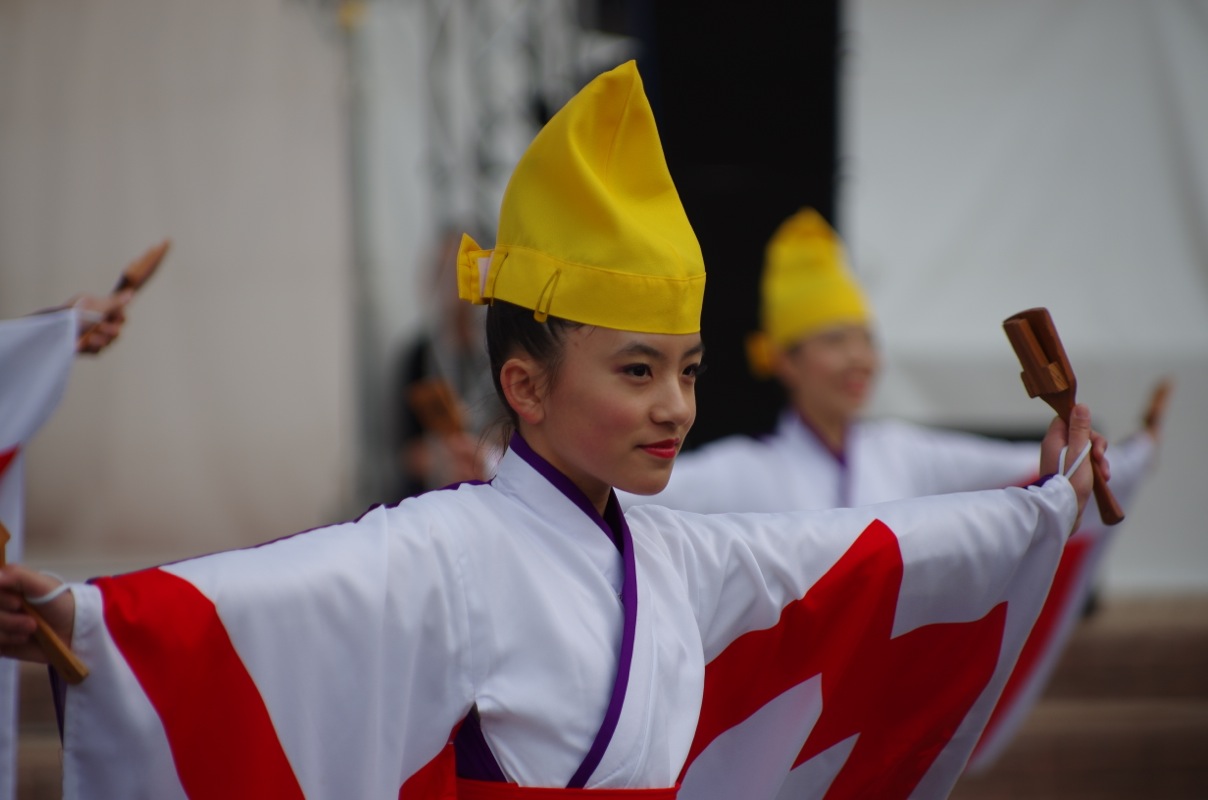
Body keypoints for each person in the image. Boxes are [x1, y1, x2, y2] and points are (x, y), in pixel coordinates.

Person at [0, 62, 1098, 800]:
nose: (672, 403)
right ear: (523, 386)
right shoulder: (443, 549)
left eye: (687, 369)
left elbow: (861, 560)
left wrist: (1035, 502)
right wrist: (90, 614)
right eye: (635, 369)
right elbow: (272, 602)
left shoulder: (688, 554)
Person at [622, 207, 1163, 783]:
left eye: (866, 339)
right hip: (792, 708)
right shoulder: (741, 471)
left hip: (881, 693)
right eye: (835, 340)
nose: (859, 358)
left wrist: (1099, 458)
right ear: (782, 358)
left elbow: (1010, 475)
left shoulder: (901, 451)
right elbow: (621, 501)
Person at [393, 224, 499, 499]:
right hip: (436, 496)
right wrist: (446, 457)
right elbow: (406, 451)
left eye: (456, 274)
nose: (449, 288)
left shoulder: (499, 355)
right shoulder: (419, 357)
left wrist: (487, 456)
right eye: (441, 274)